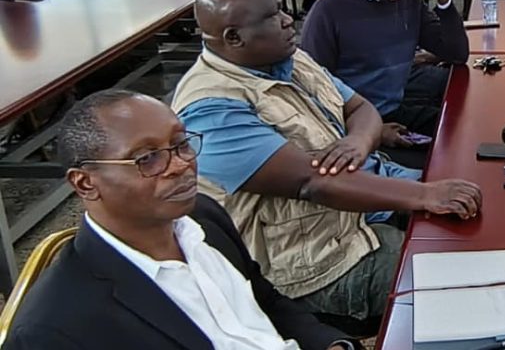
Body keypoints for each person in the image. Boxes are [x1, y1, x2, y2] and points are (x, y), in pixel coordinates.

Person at [172, 0, 482, 323]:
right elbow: (313, 183)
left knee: (482, 216)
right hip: (317, 259)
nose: (288, 20)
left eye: (282, 9)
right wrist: (425, 194)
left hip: (360, 204)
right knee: (455, 281)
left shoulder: (287, 58)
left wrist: (357, 142)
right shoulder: (212, 109)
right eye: (273, 15)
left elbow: (362, 108)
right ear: (234, 37)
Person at [3, 90, 360, 350]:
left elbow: (263, 299)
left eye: (181, 144)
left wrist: (330, 344)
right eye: (146, 158)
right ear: (85, 183)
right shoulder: (54, 328)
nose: (180, 165)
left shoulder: (203, 216)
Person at [301, 0, 469, 137]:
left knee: (465, 125)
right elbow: (313, 93)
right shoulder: (328, 11)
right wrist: (374, 132)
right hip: (354, 126)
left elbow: (456, 54)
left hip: (395, 109)